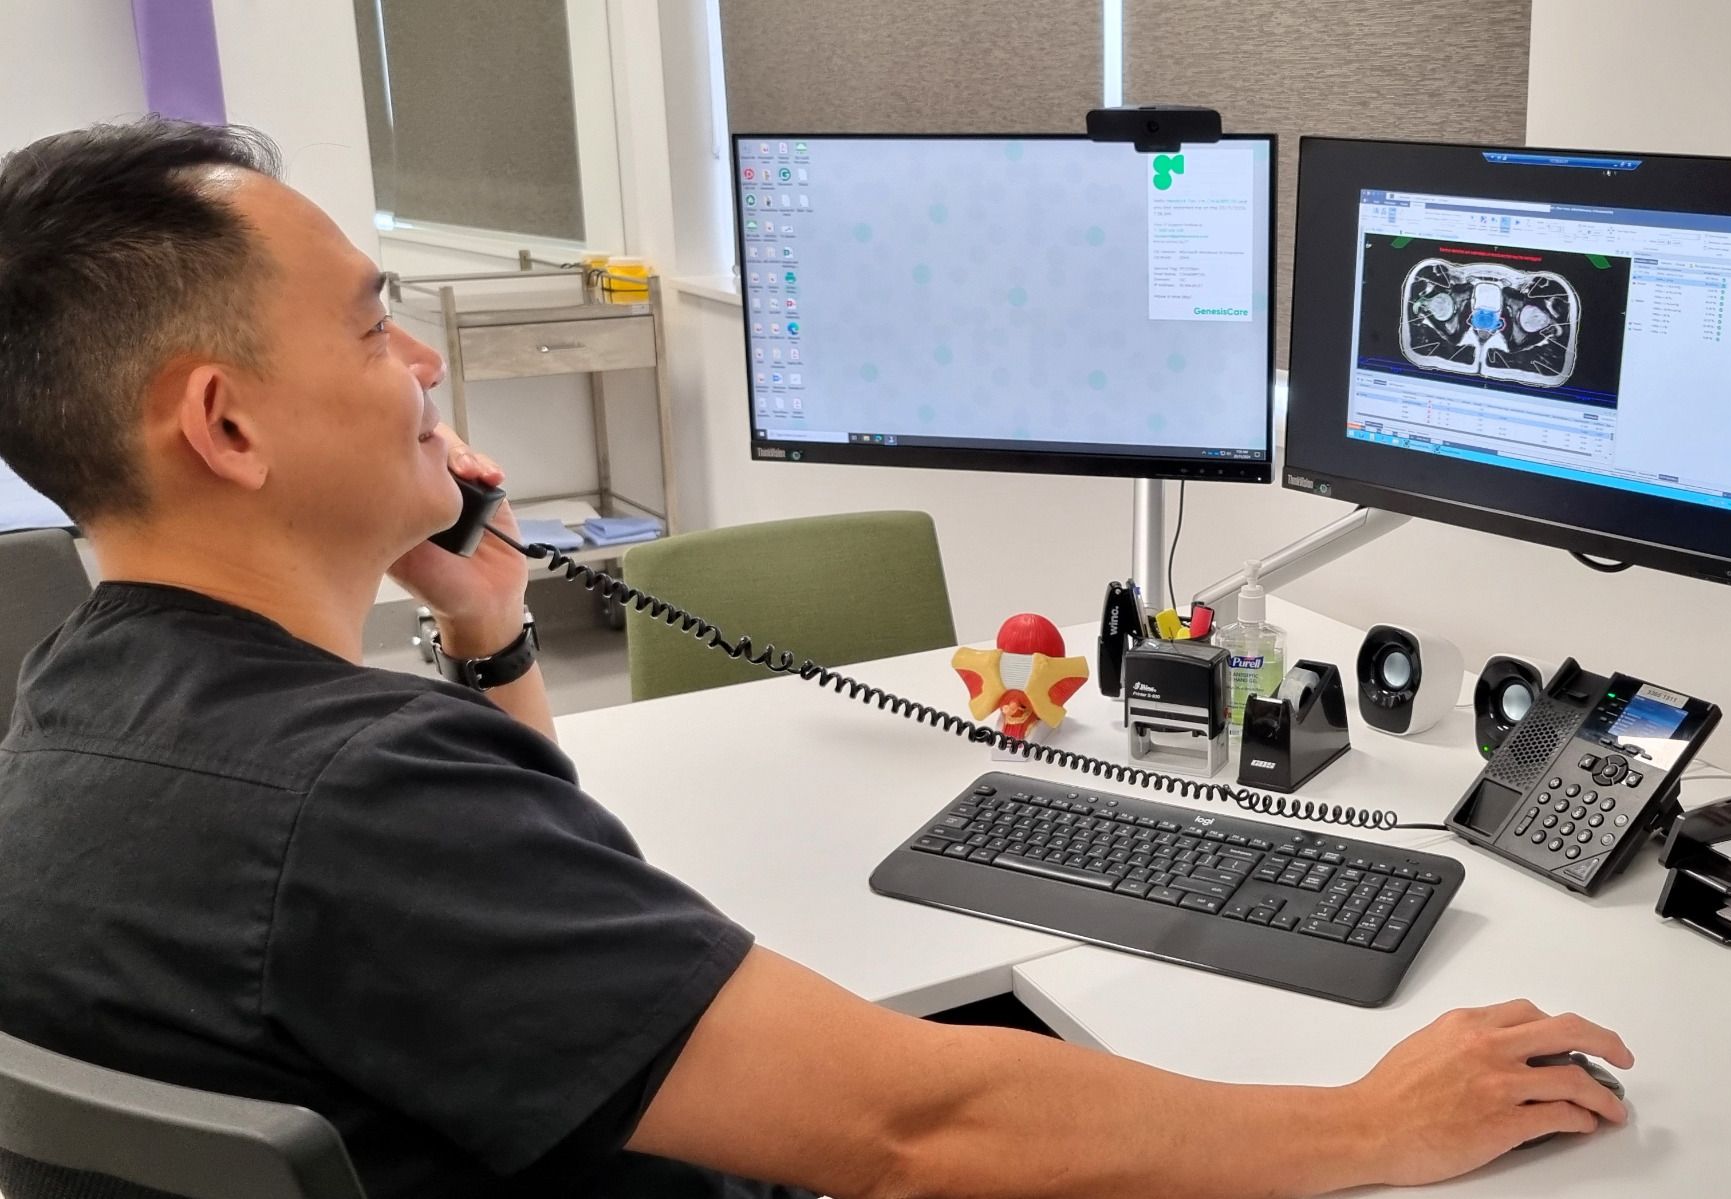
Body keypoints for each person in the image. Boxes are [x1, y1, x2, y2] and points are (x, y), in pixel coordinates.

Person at [0, 118, 1632, 1199]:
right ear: (225, 423)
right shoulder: (362, 798)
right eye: (370, 326)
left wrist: (492, 633)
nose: (423, 359)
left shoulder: (78, 699)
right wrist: (1372, 1122)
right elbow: (910, 1128)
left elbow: (503, 911)